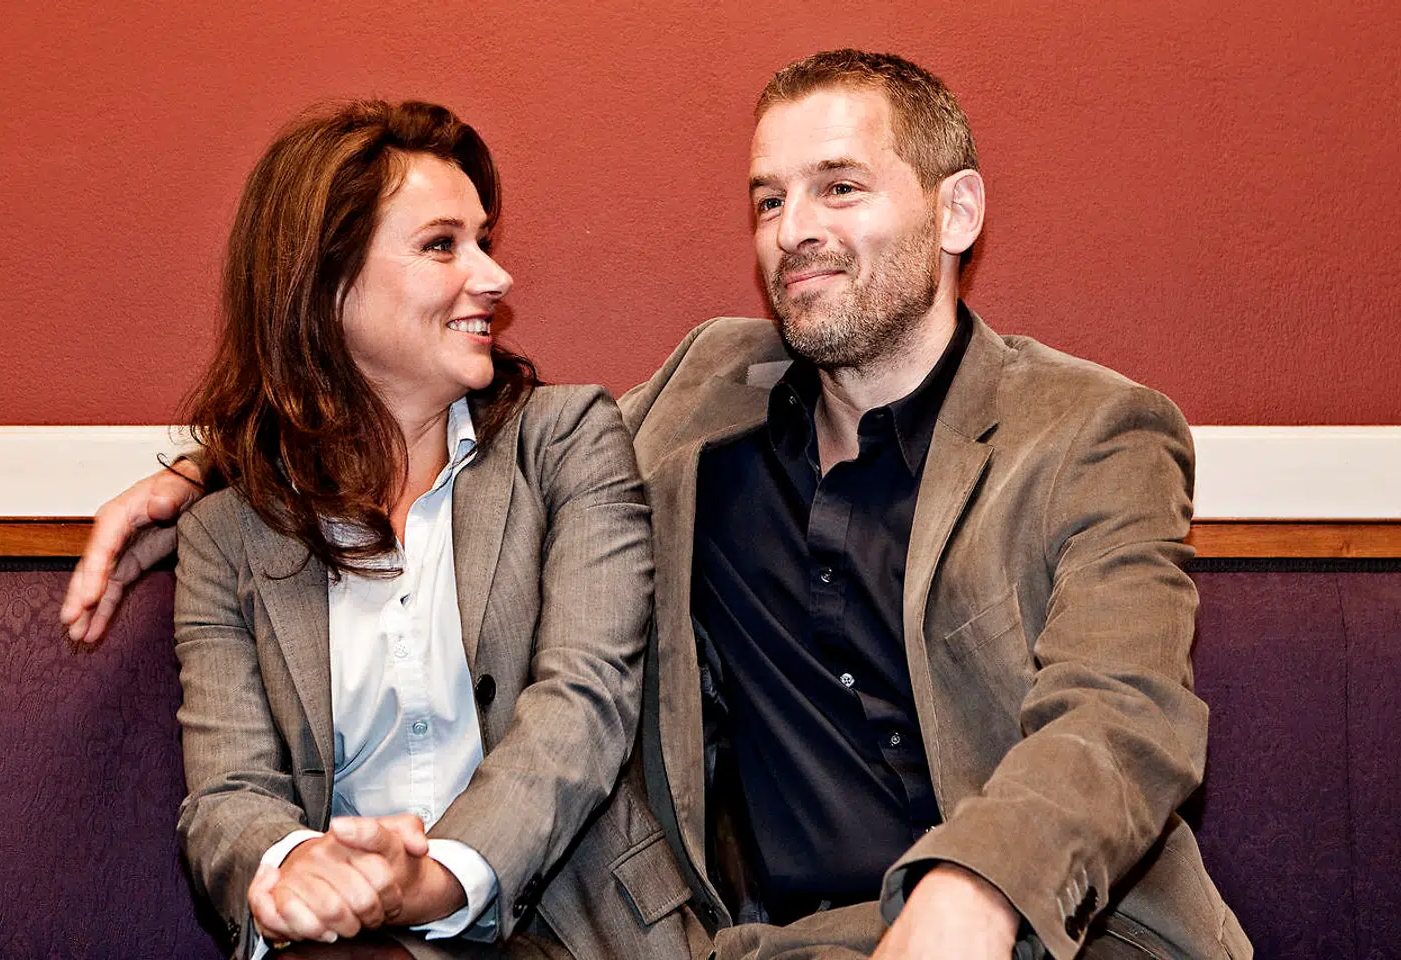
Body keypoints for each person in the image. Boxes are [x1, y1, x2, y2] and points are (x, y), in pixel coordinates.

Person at [64, 52, 1252, 960]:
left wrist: (977, 888)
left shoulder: (1092, 430)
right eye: (768, 199)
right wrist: (210, 474)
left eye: (840, 187)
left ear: (956, 215)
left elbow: (1124, 718)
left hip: (1050, 934)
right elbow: (429, 431)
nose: (796, 233)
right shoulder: (694, 402)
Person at [124, 100, 695, 960]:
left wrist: (433, 880)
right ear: (326, 286)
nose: (496, 279)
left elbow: (584, 703)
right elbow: (228, 795)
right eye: (442, 245)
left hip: (576, 935)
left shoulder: (567, 444)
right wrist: (300, 869)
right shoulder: (227, 536)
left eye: (485, 240)